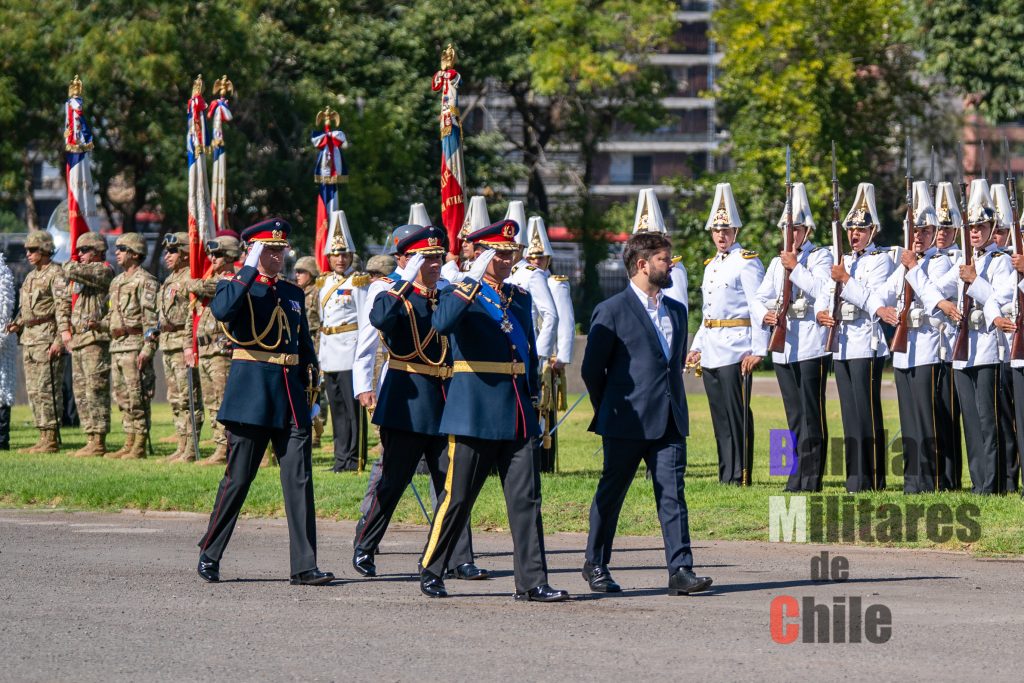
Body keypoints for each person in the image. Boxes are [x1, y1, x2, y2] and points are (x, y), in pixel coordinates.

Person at [418, 218, 567, 602]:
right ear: (482, 255)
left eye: (509, 254)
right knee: (458, 497)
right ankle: (432, 567)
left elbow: (528, 350)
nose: (506, 260)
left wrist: (533, 401)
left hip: (516, 410)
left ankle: (532, 581)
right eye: (498, 254)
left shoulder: (519, 297)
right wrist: (471, 280)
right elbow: (442, 323)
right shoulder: (457, 291)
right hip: (475, 409)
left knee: (526, 500)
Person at [197, 218, 333, 586]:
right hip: (252, 396)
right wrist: (247, 267)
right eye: (268, 250)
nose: (277, 256)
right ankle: (210, 551)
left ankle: (304, 565)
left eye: (279, 250)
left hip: (290, 396)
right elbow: (222, 311)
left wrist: (313, 391)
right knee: (238, 479)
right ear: (253, 251)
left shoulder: (292, 292)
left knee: (299, 481)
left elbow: (302, 344)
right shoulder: (235, 285)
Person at [581, 231, 711, 596]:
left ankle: (680, 569)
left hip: (670, 419)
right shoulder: (612, 310)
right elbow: (591, 370)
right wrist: (609, 408)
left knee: (672, 494)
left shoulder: (677, 311)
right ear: (642, 265)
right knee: (612, 494)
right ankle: (595, 563)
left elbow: (671, 365)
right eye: (664, 260)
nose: (670, 265)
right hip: (626, 420)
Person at [352, 224, 484, 581]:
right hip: (406, 396)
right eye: (426, 257)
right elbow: (375, 327)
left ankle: (458, 557)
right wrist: (363, 385)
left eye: (438, 256)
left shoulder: (447, 290)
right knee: (393, 480)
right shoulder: (388, 290)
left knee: (452, 484)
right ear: (404, 259)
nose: (435, 263)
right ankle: (365, 545)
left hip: (446, 396)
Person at [930, 179, 1014, 494]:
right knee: (971, 422)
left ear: (993, 229)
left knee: (989, 420)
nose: (976, 232)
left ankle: (994, 482)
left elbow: (1000, 300)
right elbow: (934, 290)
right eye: (972, 227)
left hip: (989, 348)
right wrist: (942, 303)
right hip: (963, 350)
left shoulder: (1001, 261)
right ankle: (979, 481)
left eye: (982, 226)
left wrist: (975, 280)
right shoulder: (965, 262)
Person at [876, 181, 957, 492]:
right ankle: (913, 480)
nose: (919, 237)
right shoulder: (905, 266)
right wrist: (879, 307)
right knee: (909, 418)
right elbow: (884, 293)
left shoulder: (940, 262)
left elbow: (933, 294)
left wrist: (912, 267)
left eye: (925, 231)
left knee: (928, 419)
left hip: (927, 348)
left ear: (934, 233)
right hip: (903, 351)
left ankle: (933, 479)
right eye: (915, 231)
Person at [686, 183, 768, 485]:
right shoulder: (711, 266)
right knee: (719, 416)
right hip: (712, 348)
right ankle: (726, 473)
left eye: (726, 230)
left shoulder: (746, 262)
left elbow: (758, 307)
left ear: (736, 231)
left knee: (737, 414)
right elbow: (708, 312)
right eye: (717, 230)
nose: (721, 235)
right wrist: (697, 346)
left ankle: (741, 473)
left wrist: (758, 349)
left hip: (736, 348)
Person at [756, 182, 833, 492]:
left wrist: (796, 268)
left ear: (807, 231)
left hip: (811, 345)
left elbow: (822, 289)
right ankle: (796, 475)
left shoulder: (820, 257)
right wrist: (765, 313)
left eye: (797, 229)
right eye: (787, 230)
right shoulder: (776, 263)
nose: (791, 235)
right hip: (785, 345)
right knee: (794, 414)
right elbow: (760, 296)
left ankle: (812, 478)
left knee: (812, 413)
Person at [825, 182, 894, 492]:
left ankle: (874, 476)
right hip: (842, 343)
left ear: (872, 231)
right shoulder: (843, 258)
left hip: (866, 342)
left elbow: (874, 300)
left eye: (861, 229)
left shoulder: (880, 260)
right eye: (851, 229)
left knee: (867, 412)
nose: (854, 234)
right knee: (850, 414)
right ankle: (855, 477)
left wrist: (846, 279)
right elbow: (828, 292)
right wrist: (823, 310)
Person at [7, 231, 71, 453]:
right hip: (30, 340)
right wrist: (17, 323)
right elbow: (27, 309)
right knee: (34, 390)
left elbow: (63, 309)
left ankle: (51, 437)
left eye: (32, 249)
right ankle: (43, 436)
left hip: (47, 339)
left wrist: (59, 340)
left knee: (48, 389)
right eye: (27, 250)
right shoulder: (31, 277)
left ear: (45, 250)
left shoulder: (56, 274)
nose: (28, 253)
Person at [318, 210, 368, 472]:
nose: (340, 259)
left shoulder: (358, 282)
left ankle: (355, 458)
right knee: (337, 408)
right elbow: (323, 320)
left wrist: (362, 355)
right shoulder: (324, 283)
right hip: (330, 352)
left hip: (350, 351)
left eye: (344, 254)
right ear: (329, 257)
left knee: (352, 409)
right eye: (335, 254)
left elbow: (364, 320)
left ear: (351, 256)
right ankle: (340, 459)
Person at [184, 235, 241, 466]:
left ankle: (226, 447)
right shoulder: (210, 279)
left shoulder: (233, 280)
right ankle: (219, 445)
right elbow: (194, 315)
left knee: (222, 400)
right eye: (211, 254)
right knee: (211, 401)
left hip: (221, 351)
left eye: (217, 254)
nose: (212, 259)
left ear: (229, 256)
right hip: (206, 349)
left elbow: (204, 286)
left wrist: (192, 284)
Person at [525, 215, 574, 472]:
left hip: (547, 357)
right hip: (527, 351)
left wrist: (561, 356)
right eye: (531, 257)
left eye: (540, 257)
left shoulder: (555, 284)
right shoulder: (522, 279)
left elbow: (565, 320)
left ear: (548, 259)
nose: (536, 261)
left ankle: (545, 460)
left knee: (545, 408)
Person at [105, 232, 158, 460]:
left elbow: (151, 320)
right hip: (117, 346)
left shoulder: (146, 281)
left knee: (138, 397)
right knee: (122, 397)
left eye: (122, 249)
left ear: (135, 254)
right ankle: (129, 440)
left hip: (135, 346)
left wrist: (148, 348)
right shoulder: (116, 282)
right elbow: (112, 315)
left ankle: (140, 443)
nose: (117, 252)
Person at [62, 231, 114, 456]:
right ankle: (90, 437)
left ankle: (99, 440)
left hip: (95, 340)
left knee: (95, 389)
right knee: (81, 392)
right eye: (78, 251)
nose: (79, 255)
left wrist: (69, 263)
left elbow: (69, 269)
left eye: (84, 250)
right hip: (80, 340)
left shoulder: (104, 270)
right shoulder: (83, 274)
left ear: (98, 251)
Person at [158, 232, 203, 462]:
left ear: (186, 252)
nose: (168, 255)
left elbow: (191, 315)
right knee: (175, 398)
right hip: (168, 343)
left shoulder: (191, 277)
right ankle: (181, 444)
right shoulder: (170, 279)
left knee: (188, 398)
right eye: (167, 251)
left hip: (181, 342)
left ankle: (191, 448)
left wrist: (188, 344)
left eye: (173, 251)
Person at [933, 182, 965, 489]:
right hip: (932, 346)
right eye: (937, 228)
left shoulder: (959, 258)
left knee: (951, 412)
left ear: (956, 230)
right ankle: (938, 473)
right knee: (937, 413)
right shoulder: (928, 257)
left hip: (953, 344)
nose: (941, 233)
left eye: (946, 228)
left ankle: (951, 475)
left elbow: (938, 289)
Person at [989, 185, 1019, 493]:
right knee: (1004, 418)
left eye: (1001, 230)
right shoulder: (995, 261)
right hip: (1001, 350)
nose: (996, 236)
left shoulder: (1011, 262)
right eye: (993, 230)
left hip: (1015, 346)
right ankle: (1009, 480)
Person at [294, 255, 324, 449]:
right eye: (296, 272)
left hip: (315, 342)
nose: (297, 275)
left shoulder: (318, 292)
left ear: (312, 273)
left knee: (316, 389)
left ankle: (317, 432)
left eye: (302, 272)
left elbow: (322, 321)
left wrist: (319, 349)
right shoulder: (298, 292)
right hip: (302, 345)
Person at [0, 253, 15, 450]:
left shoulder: (2, 274)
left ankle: (2, 439)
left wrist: (1, 336)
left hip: (2, 342)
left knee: (2, 391)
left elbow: (4, 309)